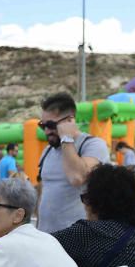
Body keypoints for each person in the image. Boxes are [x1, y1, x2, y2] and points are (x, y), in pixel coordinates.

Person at [34, 92, 109, 233]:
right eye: (42, 125)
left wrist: (66, 138)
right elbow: (43, 191)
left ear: (70, 121)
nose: (47, 131)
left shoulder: (93, 145)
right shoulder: (47, 151)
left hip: (80, 238)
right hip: (48, 237)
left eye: (51, 125)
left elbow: (77, 177)